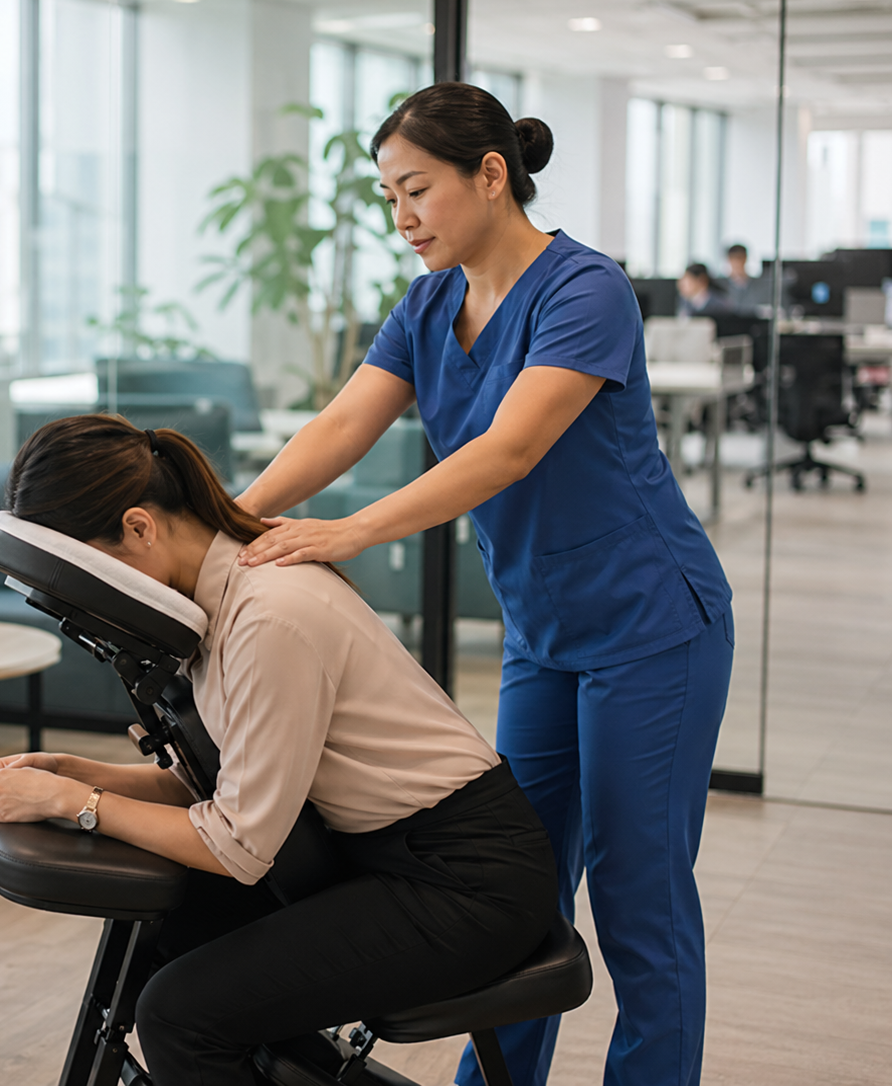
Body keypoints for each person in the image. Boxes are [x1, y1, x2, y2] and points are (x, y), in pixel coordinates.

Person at [232, 82, 734, 1086]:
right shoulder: (427, 307)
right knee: (516, 888)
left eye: (416, 189)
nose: (401, 217)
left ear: (491, 175)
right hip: (542, 635)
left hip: (650, 625)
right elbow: (341, 425)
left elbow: (510, 448)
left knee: (636, 893)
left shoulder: (583, 290)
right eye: (388, 197)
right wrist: (227, 524)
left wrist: (350, 531)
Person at [0, 414, 559, 1086]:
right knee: (166, 933)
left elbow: (238, 844)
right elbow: (230, 781)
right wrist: (71, 774)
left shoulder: (269, 614)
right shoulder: (213, 602)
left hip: (465, 883)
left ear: (139, 527)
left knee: (179, 1018)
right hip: (373, 853)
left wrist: (78, 803)